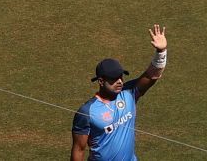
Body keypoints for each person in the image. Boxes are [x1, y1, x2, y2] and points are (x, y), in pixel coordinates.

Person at [71, 25, 168, 160]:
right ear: (100, 81)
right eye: (114, 78)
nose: (120, 81)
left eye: (121, 77)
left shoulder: (129, 93)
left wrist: (161, 51)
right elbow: (79, 149)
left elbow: (152, 75)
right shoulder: (87, 112)